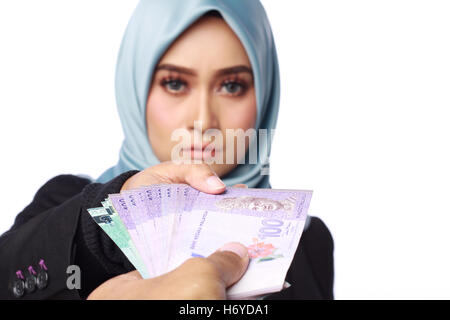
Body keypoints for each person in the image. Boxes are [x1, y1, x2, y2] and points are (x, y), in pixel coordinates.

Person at [0, 0, 334, 300]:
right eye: (175, 83)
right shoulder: (64, 205)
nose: (203, 120)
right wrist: (119, 208)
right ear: (134, 88)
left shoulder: (308, 243)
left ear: (266, 95)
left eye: (232, 86)